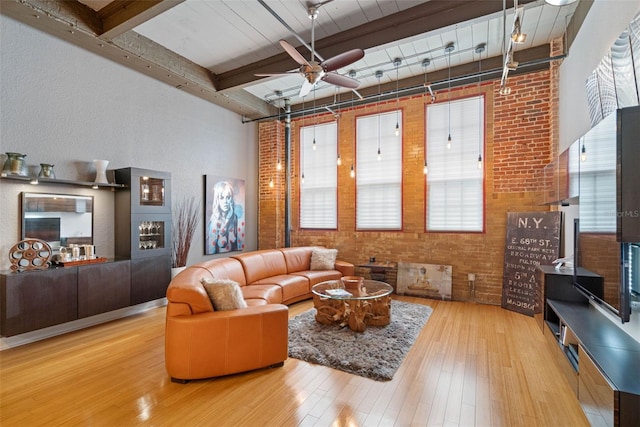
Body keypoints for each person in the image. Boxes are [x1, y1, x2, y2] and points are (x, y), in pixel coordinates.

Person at [207, 181, 242, 254]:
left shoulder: (234, 218)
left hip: (233, 260)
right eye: (222, 197)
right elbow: (211, 250)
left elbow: (237, 245)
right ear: (217, 200)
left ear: (231, 199)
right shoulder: (214, 222)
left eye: (228, 197)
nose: (225, 201)